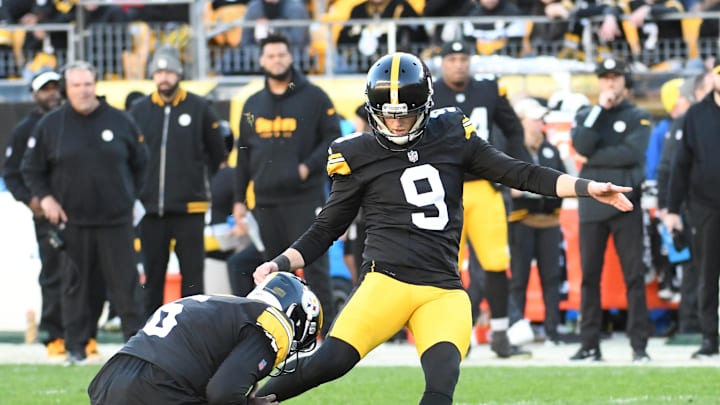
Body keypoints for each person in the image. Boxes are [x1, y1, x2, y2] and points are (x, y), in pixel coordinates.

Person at [252, 52, 636, 404]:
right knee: (328, 363)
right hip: (386, 281)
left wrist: (588, 188)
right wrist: (282, 262)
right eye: (388, 113)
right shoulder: (357, 154)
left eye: (406, 113)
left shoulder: (452, 133)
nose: (397, 121)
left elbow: (520, 173)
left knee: (440, 386)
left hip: (442, 290)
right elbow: (327, 227)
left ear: (426, 106)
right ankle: (244, 400)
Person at [21, 61, 148, 365]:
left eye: (88, 84)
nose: (83, 91)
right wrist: (46, 199)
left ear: (96, 85)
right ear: (67, 88)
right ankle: (76, 348)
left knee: (126, 288)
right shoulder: (51, 124)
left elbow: (141, 164)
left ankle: (138, 350)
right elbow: (31, 168)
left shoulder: (120, 121)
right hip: (72, 223)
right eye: (76, 85)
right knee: (76, 288)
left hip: (116, 222)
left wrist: (131, 197)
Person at [232, 33, 340, 334]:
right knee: (271, 272)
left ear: (290, 57)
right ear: (261, 60)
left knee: (316, 268)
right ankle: (281, 334)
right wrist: (239, 199)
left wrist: (307, 167)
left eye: (282, 54)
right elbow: (243, 155)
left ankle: (327, 334)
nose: (276, 60)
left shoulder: (315, 97)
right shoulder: (253, 104)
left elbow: (333, 138)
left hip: (304, 198)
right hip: (265, 201)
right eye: (271, 56)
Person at [87, 272, 323, 405]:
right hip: (156, 387)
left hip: (108, 381)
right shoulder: (271, 322)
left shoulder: (216, 304)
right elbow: (223, 393)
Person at [432, 40, 528, 357]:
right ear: (442, 62)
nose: (458, 64)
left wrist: (517, 171)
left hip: (486, 186)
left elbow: (513, 130)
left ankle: (500, 333)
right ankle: (457, 335)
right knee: (449, 268)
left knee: (496, 262)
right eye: (452, 59)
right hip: (445, 192)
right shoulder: (430, 92)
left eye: (463, 58)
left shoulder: (488, 89)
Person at [129, 46, 228, 318]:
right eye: (159, 72)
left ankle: (192, 330)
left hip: (190, 207)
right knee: (153, 277)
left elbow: (218, 152)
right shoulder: (139, 110)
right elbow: (130, 156)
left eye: (169, 71)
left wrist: (198, 182)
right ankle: (148, 332)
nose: (164, 77)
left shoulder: (199, 108)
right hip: (150, 209)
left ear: (178, 74)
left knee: (193, 278)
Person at [570, 57, 652, 362]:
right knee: (589, 276)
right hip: (593, 205)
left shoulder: (638, 115)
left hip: (626, 204)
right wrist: (598, 111)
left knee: (634, 275)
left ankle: (639, 346)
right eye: (604, 78)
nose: (610, 83)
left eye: (615, 77)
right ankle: (589, 344)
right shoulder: (588, 114)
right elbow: (582, 146)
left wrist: (597, 160)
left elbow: (632, 153)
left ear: (624, 81)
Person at [2, 70, 64, 356]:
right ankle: (54, 335)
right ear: (34, 94)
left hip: (84, 211)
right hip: (47, 216)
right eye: (45, 89)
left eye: (55, 87)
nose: (51, 93)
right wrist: (32, 201)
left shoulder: (71, 120)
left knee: (87, 274)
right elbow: (13, 174)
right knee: (53, 272)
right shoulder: (25, 129)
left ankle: (83, 333)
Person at [664, 61, 720, 359]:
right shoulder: (695, 115)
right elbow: (680, 165)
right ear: (713, 77)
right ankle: (710, 338)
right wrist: (672, 209)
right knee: (706, 275)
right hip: (706, 206)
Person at [506, 98, 567, 344]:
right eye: (534, 118)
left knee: (551, 278)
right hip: (522, 220)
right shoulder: (513, 148)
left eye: (541, 119)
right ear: (521, 121)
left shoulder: (550, 149)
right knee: (519, 278)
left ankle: (553, 330)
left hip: (549, 221)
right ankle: (516, 329)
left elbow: (561, 179)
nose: (540, 123)